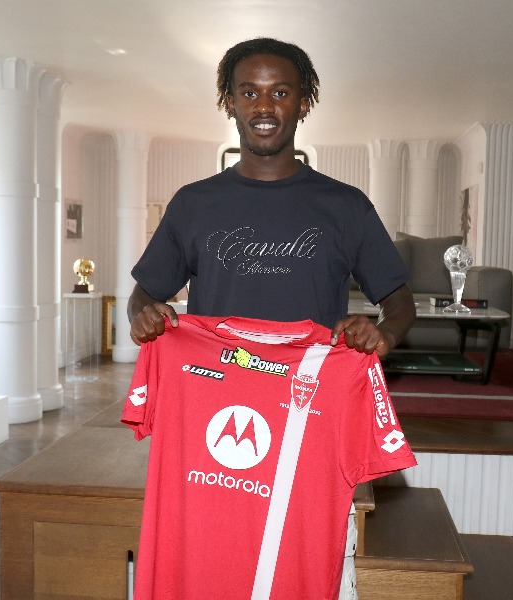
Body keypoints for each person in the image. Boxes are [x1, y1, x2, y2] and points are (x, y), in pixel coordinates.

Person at [127, 37, 415, 600]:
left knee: (301, 557)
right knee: (210, 553)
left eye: (280, 93)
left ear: (303, 103)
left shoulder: (345, 206)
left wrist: (383, 334)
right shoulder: (194, 203)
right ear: (229, 102)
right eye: (249, 92)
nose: (264, 106)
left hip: (308, 418)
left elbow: (399, 303)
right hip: (215, 417)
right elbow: (143, 295)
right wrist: (146, 316)